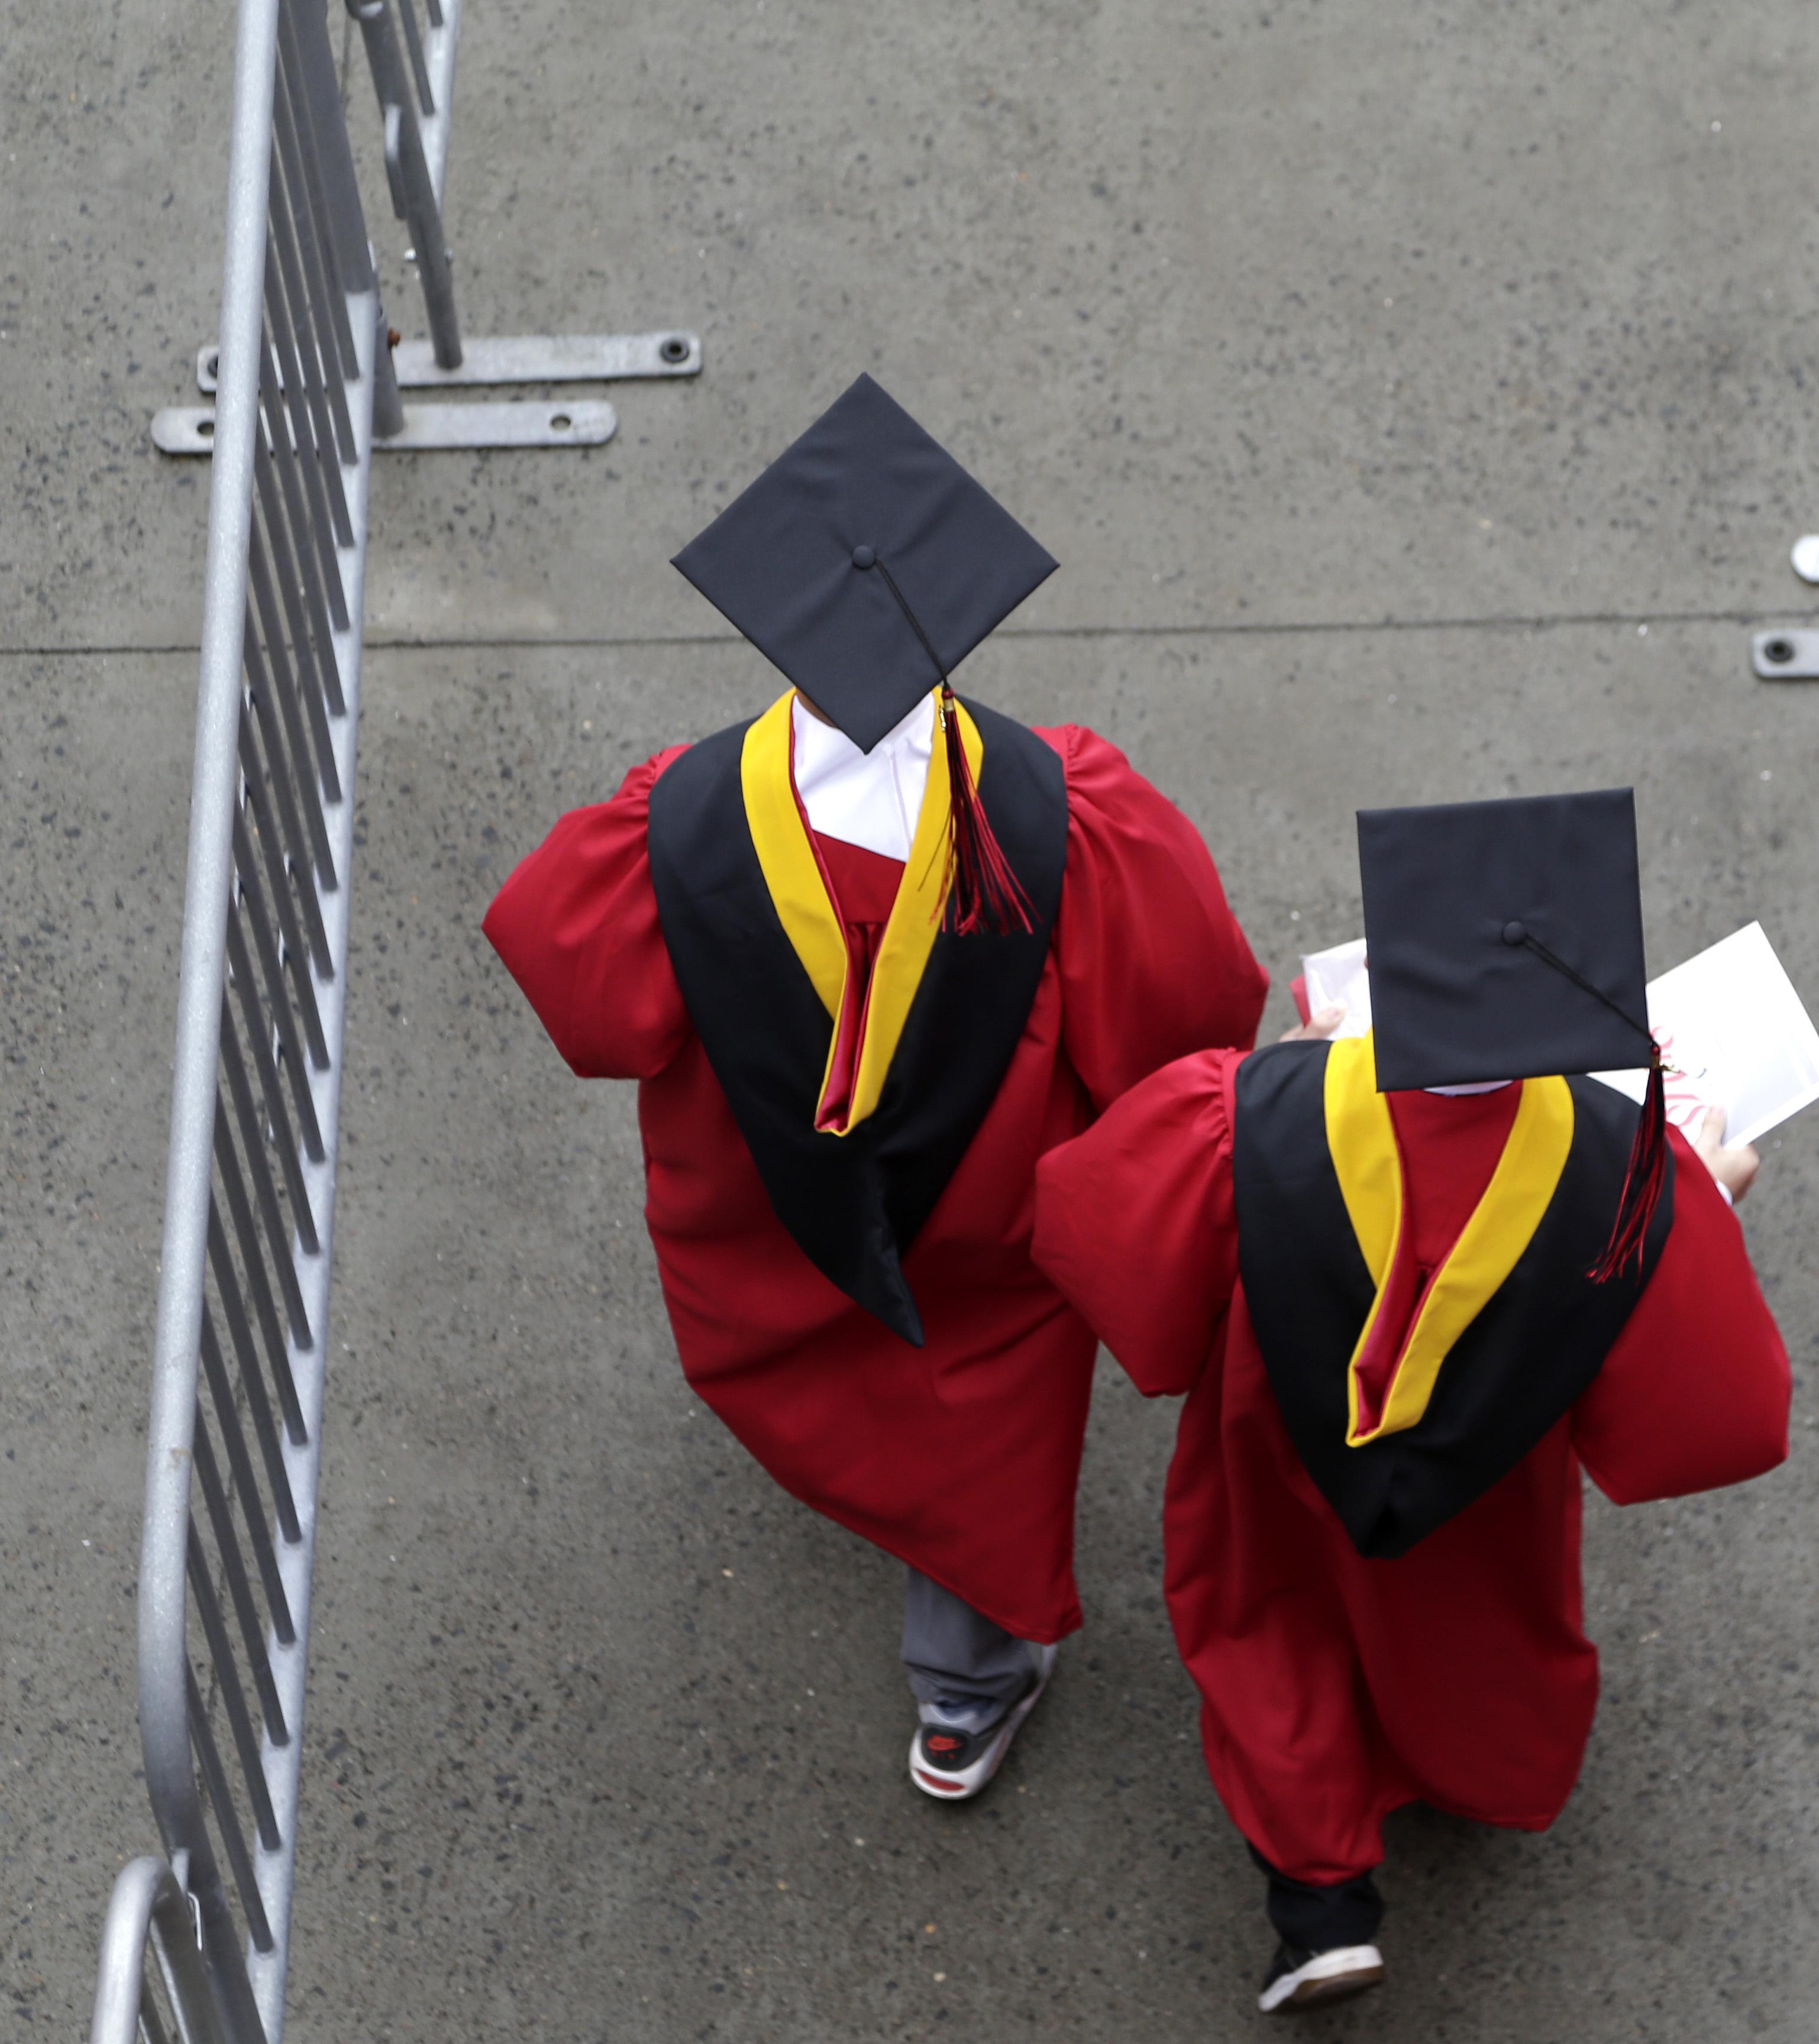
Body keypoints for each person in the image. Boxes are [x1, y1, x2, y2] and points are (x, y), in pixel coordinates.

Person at [483, 375, 1268, 1801]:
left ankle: (881, 1527)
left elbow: (579, 997)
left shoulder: (672, 822)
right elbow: (1194, 1014)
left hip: (766, 1227)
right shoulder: (1069, 814)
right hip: (990, 1243)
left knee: (831, 1381)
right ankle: (965, 1695)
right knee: (981, 1448)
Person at [1030, 788, 1792, 2012]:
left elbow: (1085, 1231)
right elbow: (1722, 1418)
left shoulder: (1246, 1117)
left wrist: (1282, 1082)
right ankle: (1467, 1779)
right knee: (1471, 1637)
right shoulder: (1630, 1172)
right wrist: (1695, 1214)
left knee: (1269, 1634)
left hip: (1264, 1453)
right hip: (1487, 1499)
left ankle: (1321, 1912)